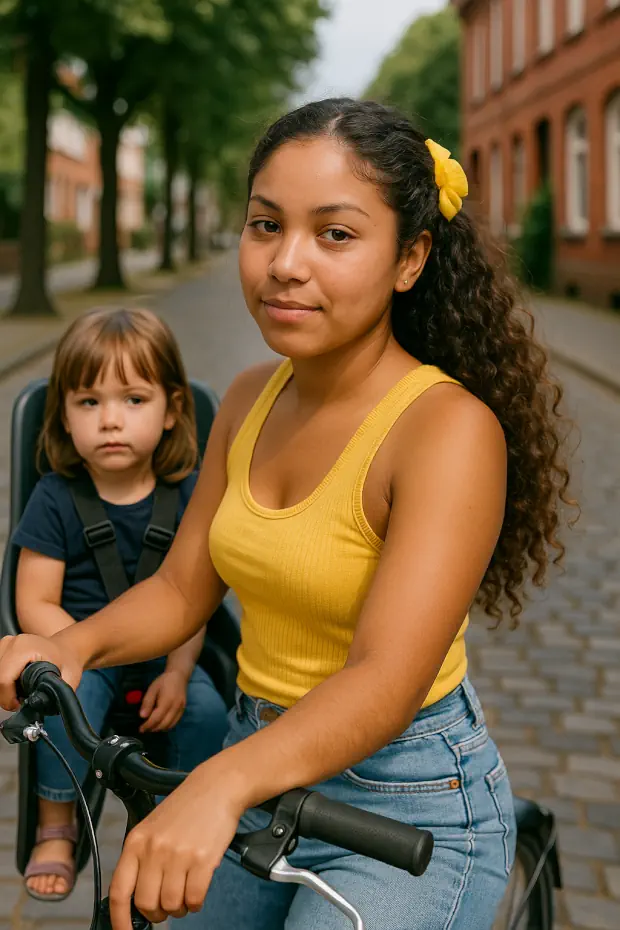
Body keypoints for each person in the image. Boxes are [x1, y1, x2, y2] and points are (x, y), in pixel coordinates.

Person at [0, 100, 573, 929]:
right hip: (258, 758)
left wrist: (220, 783)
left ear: (409, 258)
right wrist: (68, 646)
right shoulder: (245, 399)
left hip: (406, 803)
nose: (285, 263)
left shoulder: (447, 431)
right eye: (266, 225)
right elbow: (182, 589)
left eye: (335, 234)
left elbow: (386, 678)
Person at [11, 306, 228, 903]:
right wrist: (80, 652)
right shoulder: (56, 497)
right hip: (83, 651)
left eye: (133, 400)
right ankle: (57, 823)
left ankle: (180, 823)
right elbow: (33, 599)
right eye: (89, 403)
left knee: (209, 714)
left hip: (166, 652)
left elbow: (195, 598)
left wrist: (181, 673)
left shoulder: (186, 495)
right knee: (62, 701)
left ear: (172, 410)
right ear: (63, 414)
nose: (110, 421)